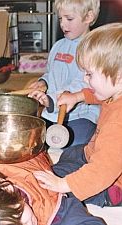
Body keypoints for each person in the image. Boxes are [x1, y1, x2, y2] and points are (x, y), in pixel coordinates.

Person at [33, 23, 122, 207]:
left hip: (110, 184)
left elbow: (102, 171)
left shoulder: (117, 124)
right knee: (72, 152)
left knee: (54, 188)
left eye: (89, 74)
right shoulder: (115, 92)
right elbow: (97, 97)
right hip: (94, 153)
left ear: (118, 77)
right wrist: (78, 96)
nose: (84, 79)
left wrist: (63, 184)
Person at [28, 0, 100, 147]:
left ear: (88, 17)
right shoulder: (58, 46)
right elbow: (51, 72)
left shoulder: (93, 49)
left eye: (69, 19)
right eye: (61, 18)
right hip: (52, 111)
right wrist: (43, 82)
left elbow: (83, 83)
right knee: (32, 136)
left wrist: (52, 100)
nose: (62, 24)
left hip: (80, 115)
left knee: (76, 141)